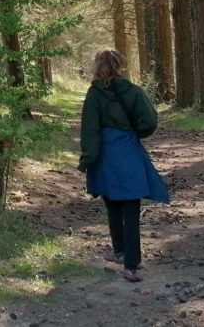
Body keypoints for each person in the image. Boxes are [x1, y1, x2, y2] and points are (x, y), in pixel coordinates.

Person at [78, 48, 169, 282]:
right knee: (131, 207)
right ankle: (131, 264)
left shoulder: (94, 94)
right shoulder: (134, 91)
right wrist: (135, 133)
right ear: (119, 66)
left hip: (106, 154)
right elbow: (149, 120)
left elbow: (90, 130)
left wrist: (87, 159)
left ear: (98, 67)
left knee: (112, 205)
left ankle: (119, 251)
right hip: (128, 150)